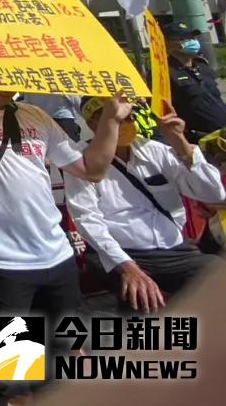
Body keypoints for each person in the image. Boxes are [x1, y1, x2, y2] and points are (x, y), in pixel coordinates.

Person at [0, 82, 133, 406]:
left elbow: (91, 169)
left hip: (58, 258)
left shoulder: (35, 115)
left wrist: (111, 118)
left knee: (60, 359)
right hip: (6, 263)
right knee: (6, 374)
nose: (3, 84)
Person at [64, 98, 223, 312]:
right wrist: (127, 267)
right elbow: (88, 220)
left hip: (175, 252)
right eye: (116, 118)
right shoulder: (80, 161)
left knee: (217, 276)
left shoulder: (154, 150)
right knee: (142, 302)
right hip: (121, 255)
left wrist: (179, 141)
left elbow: (213, 193)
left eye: (129, 117)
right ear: (94, 125)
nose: (126, 123)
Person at [165, 20, 226, 143]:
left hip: (222, 134)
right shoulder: (166, 73)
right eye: (183, 38)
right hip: (200, 140)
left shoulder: (202, 66)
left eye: (192, 37)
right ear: (168, 43)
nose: (192, 41)